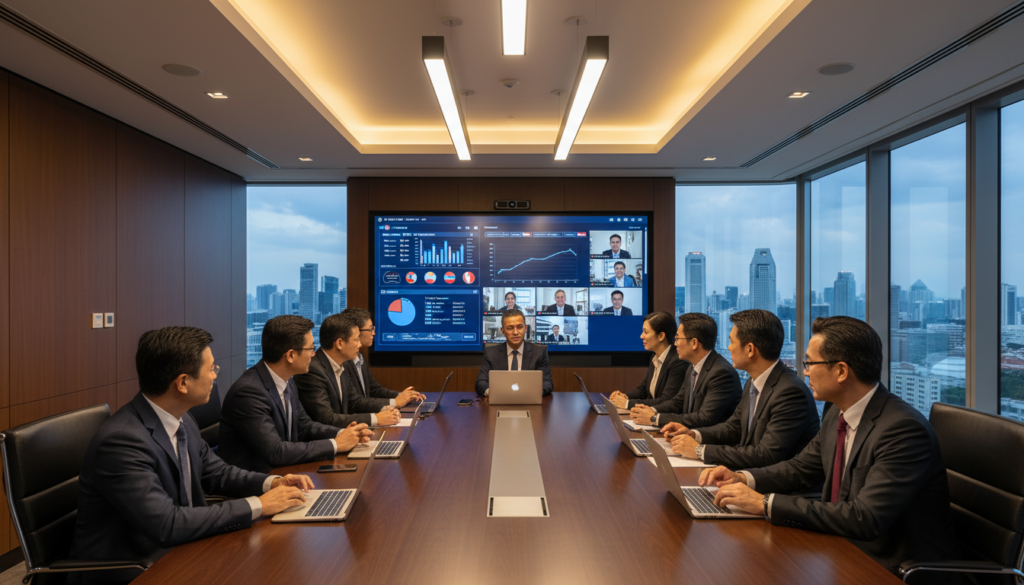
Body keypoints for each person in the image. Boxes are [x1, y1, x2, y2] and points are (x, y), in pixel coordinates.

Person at [699, 316, 961, 579]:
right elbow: (801, 468)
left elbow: (864, 517)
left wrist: (766, 504)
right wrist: (744, 477)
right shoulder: (838, 410)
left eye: (810, 363)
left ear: (842, 371)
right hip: (841, 548)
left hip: (891, 568)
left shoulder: (902, 430)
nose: (805, 372)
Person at [70, 327, 315, 584]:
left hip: (182, 548)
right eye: (211, 369)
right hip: (134, 568)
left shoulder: (182, 419)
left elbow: (217, 473)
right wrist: (260, 505)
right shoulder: (122, 441)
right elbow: (167, 524)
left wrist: (272, 483)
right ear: (183, 382)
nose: (214, 376)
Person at [661, 309, 819, 469]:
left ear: (750, 349)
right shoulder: (754, 380)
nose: (728, 348)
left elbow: (765, 455)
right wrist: (694, 434)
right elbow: (734, 426)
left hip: (774, 487)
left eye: (731, 342)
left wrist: (699, 450)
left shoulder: (790, 392)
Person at [219, 315, 374, 473]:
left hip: (287, 474)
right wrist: (336, 444)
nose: (314, 355)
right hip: (259, 484)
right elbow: (276, 452)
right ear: (291, 355)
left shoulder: (287, 381)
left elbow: (305, 426)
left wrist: (344, 434)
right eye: (311, 349)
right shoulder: (248, 392)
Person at [629, 312, 742, 428]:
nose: (675, 343)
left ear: (694, 343)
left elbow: (704, 418)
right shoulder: (693, 367)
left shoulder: (721, 373)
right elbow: (678, 402)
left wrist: (654, 418)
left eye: (678, 338)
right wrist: (651, 410)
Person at [294, 312, 404, 428]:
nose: (360, 345)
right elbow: (326, 418)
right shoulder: (312, 371)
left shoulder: (341, 364)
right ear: (340, 343)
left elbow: (354, 401)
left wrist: (386, 409)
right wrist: (375, 418)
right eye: (356, 340)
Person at [338, 307, 426, 407]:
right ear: (356, 330)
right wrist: (395, 402)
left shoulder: (359, 357)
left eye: (373, 329)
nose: (373, 333)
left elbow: (374, 389)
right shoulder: (343, 361)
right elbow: (354, 402)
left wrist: (402, 396)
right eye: (370, 329)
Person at [609, 311, 689, 409]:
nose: (641, 336)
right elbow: (643, 390)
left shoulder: (678, 362)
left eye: (646, 332)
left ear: (661, 336)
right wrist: (624, 397)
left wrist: (627, 404)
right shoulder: (654, 356)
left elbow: (667, 400)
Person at [475, 309, 553, 396]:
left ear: (525, 328)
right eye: (510, 328)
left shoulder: (539, 353)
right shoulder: (491, 353)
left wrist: (530, 393)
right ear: (503, 331)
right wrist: (494, 394)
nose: (515, 332)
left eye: (519, 327)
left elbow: (547, 383)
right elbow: (480, 382)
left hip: (529, 401)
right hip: (500, 401)